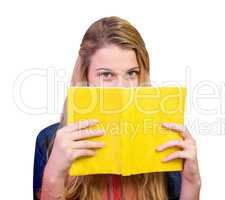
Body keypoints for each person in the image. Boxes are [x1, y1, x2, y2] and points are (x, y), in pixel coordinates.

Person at [33, 16, 201, 200]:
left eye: (131, 73)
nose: (122, 87)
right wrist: (53, 176)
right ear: (85, 77)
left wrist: (192, 183)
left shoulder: (167, 139)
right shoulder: (49, 141)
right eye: (106, 74)